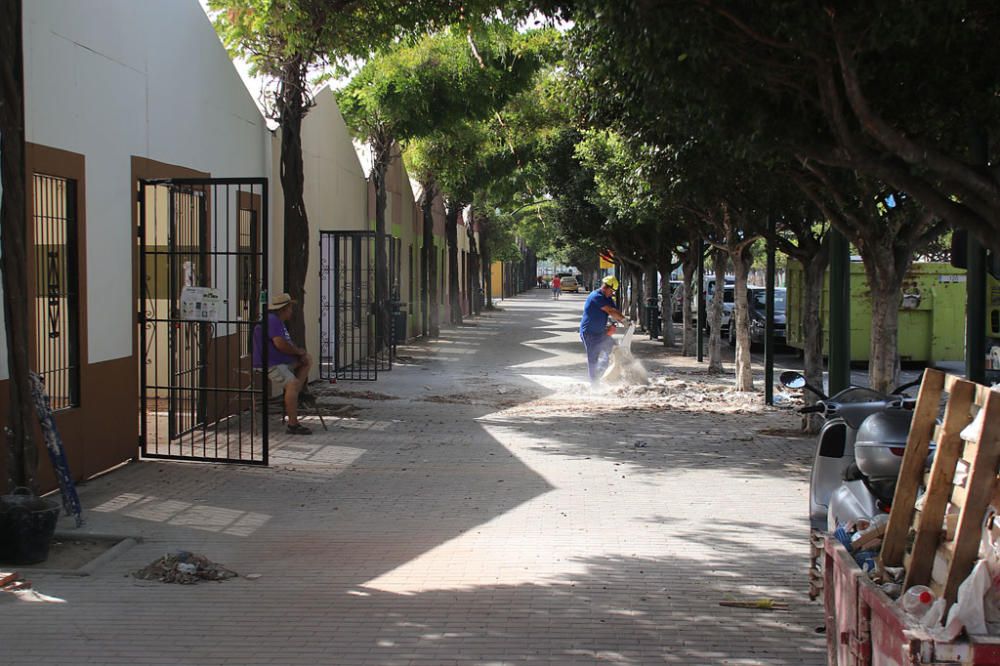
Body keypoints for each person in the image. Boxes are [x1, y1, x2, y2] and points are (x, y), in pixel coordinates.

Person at [252, 292, 314, 435]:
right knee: (291, 383)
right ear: (284, 309)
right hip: (271, 363)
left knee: (307, 360)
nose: (291, 311)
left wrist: (299, 355)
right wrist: (297, 352)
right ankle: (293, 424)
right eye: (290, 308)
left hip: (281, 360)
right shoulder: (272, 320)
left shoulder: (278, 321)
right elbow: (280, 344)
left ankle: (296, 392)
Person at [580, 275, 627, 384]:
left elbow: (614, 311)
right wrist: (625, 321)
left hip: (600, 333)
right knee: (593, 359)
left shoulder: (607, 298)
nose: (612, 293)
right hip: (589, 333)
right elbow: (610, 311)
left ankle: (603, 376)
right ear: (606, 287)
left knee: (613, 350)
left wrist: (613, 324)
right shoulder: (596, 296)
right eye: (612, 291)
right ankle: (594, 384)